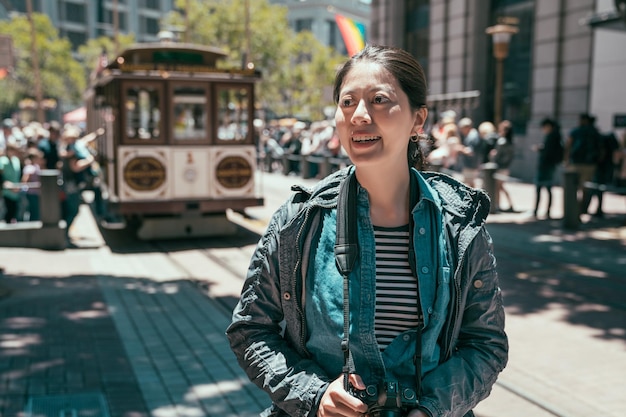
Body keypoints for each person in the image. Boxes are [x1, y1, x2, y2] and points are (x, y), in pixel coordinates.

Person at [226, 45, 508, 417]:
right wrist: (315, 395)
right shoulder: (298, 221)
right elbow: (250, 330)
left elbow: (485, 345)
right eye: (347, 103)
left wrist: (430, 408)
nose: (359, 115)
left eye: (379, 100)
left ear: (417, 120)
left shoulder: (461, 227)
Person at [564, 113, 601, 216]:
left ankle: (573, 210)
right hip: (590, 164)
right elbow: (601, 149)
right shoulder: (595, 132)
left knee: (573, 187)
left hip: (576, 163)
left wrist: (566, 160)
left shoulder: (576, 131)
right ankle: (582, 209)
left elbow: (568, 145)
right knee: (586, 188)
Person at [532, 118, 564, 219]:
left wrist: (541, 149)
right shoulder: (556, 136)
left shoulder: (552, 137)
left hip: (545, 165)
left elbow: (548, 152)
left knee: (540, 188)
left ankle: (537, 210)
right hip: (550, 165)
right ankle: (546, 211)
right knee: (548, 188)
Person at [489, 120, 515, 212]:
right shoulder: (510, 142)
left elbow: (497, 155)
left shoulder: (501, 141)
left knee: (498, 187)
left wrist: (493, 154)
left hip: (500, 167)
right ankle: (507, 204)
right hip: (505, 167)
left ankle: (498, 205)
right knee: (501, 187)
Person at [457, 117, 485, 187]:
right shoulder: (471, 135)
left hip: (471, 165)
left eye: (462, 128)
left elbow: (471, 152)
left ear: (467, 127)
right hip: (471, 164)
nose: (461, 131)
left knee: (470, 184)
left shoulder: (472, 136)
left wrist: (460, 149)